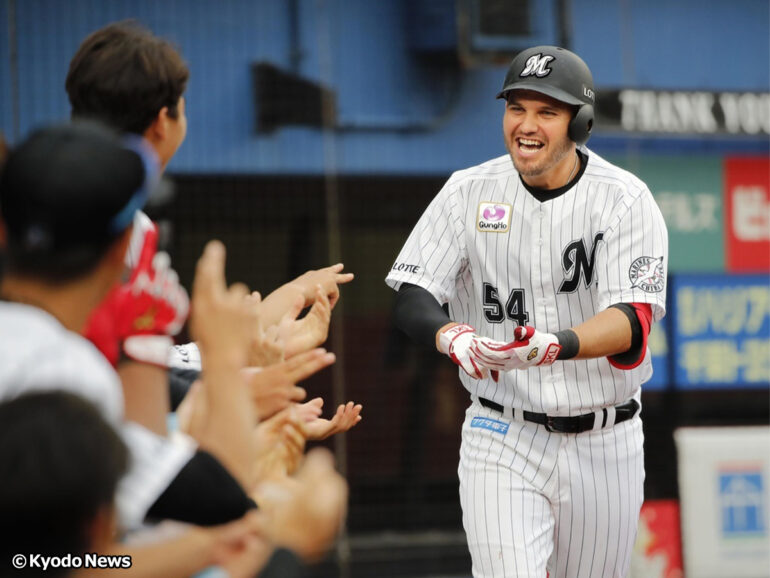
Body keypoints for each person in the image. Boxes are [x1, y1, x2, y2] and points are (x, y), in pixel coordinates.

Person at [386, 45, 668, 578]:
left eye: (547, 111)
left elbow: (633, 318)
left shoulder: (625, 199)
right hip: (503, 432)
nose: (526, 124)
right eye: (517, 107)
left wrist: (556, 343)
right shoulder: (467, 191)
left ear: (580, 123)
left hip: (605, 442)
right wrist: (454, 337)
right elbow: (411, 294)